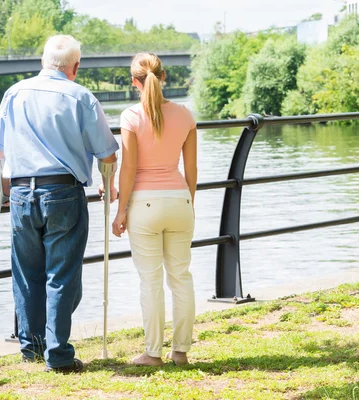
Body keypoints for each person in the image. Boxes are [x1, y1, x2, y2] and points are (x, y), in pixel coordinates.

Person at [0, 35, 119, 373]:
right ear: (75, 67)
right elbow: (107, 152)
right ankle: (58, 355)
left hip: (20, 193)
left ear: (43, 61)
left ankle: (32, 348)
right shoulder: (80, 97)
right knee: (61, 275)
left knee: (26, 273)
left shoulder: (14, 93)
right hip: (63, 192)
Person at [112, 53, 197, 367]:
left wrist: (121, 211)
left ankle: (152, 353)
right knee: (181, 277)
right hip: (179, 200)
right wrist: (189, 203)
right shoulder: (186, 115)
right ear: (164, 78)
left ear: (135, 82)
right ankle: (181, 352)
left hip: (144, 205)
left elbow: (129, 169)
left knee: (150, 281)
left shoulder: (131, 117)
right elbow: (191, 169)